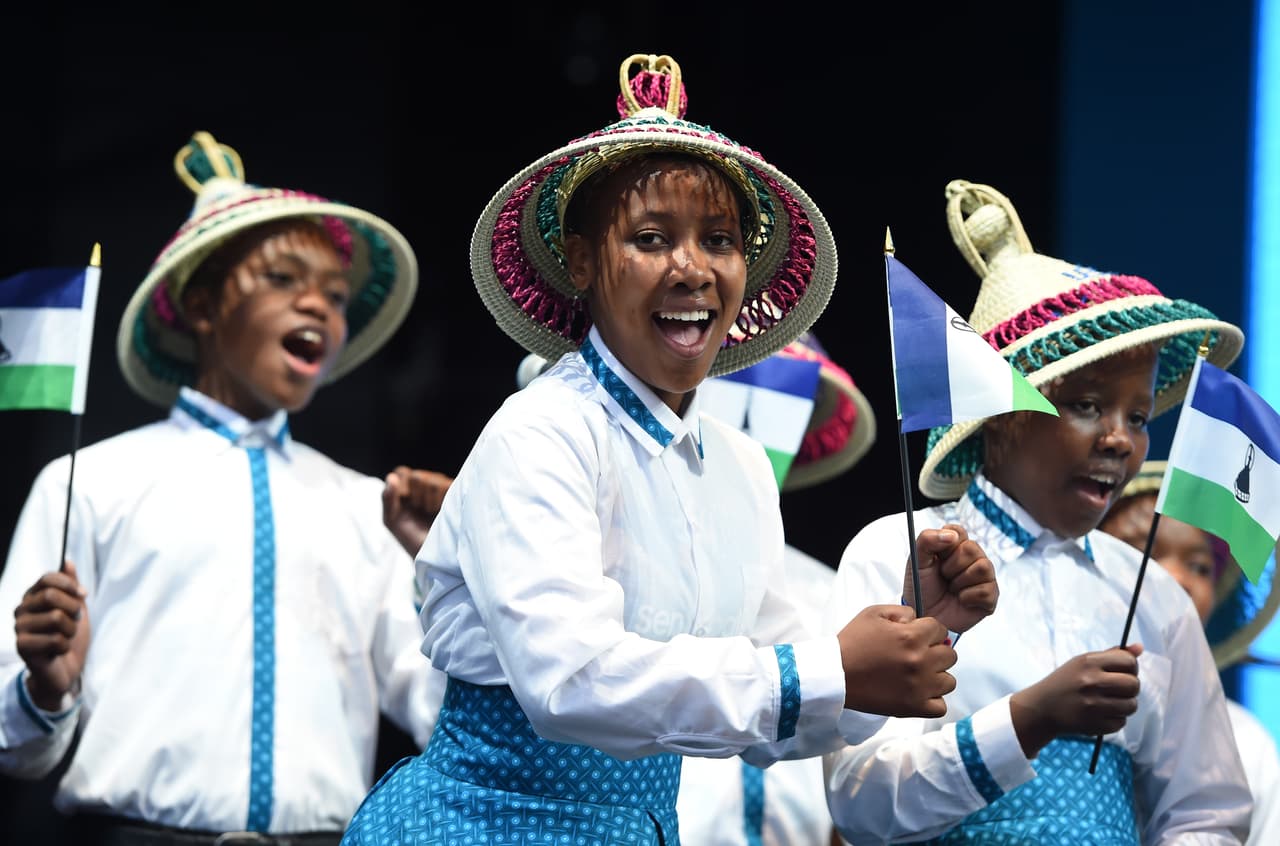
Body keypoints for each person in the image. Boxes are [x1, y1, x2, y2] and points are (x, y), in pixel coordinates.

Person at [341, 54, 998, 844]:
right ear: (582, 262)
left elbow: (776, 728)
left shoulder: (740, 464)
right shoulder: (540, 431)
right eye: (652, 239)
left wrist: (915, 626)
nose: (691, 267)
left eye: (718, 240)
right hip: (484, 827)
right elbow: (571, 683)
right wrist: (831, 668)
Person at [0, 131, 450, 844]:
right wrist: (44, 689)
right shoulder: (90, 482)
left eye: (335, 297)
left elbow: (441, 713)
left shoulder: (365, 505)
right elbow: (15, 748)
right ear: (202, 307)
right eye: (282, 281)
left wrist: (453, 576)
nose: (319, 309)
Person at [821, 179, 1253, 843]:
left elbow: (1206, 812)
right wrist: (1029, 718)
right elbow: (861, 802)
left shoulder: (1157, 602)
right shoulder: (899, 552)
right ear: (998, 416)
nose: (1119, 438)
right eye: (1085, 405)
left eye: (1137, 416)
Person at [520, 332, 875, 845]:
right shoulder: (577, 511)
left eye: (779, 401)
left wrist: (892, 656)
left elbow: (824, 740)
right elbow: (567, 683)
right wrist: (829, 671)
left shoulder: (826, 590)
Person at [1100, 460, 1280, 846]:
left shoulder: (1245, 741)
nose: (1175, 579)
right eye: (1141, 551)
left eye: (1199, 566)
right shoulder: (1027, 686)